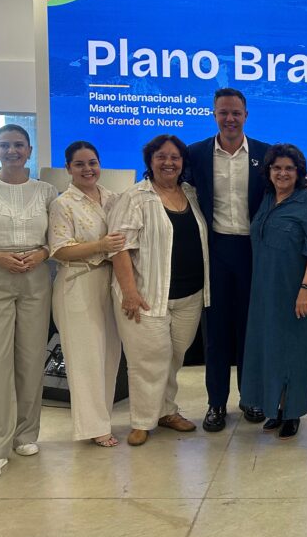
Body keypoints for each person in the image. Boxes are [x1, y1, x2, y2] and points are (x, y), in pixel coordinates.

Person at [0, 124, 57, 481]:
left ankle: (25, 434)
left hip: (36, 276)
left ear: (29, 150)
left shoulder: (46, 190)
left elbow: (57, 238)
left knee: (31, 359)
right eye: (4, 145)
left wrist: (42, 253)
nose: (12, 151)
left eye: (19, 145)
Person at [108, 135, 210, 447]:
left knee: (173, 358)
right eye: (161, 157)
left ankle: (166, 411)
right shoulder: (135, 197)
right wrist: (129, 292)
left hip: (190, 295)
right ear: (150, 161)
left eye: (175, 157)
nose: (168, 163)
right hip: (147, 296)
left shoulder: (190, 194)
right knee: (148, 361)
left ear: (183, 162)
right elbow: (119, 247)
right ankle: (142, 422)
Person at [187, 88, 269, 431]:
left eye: (236, 112)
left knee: (251, 329)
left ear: (246, 115)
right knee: (216, 332)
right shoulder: (195, 154)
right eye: (223, 112)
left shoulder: (265, 154)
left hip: (253, 252)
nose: (230, 118)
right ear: (214, 115)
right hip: (216, 251)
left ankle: (251, 397)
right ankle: (216, 403)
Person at [242, 144, 307, 440]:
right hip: (265, 290)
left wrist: (306, 289)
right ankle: (275, 407)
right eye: (277, 168)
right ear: (268, 171)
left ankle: (293, 413)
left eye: (289, 168)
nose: (282, 173)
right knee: (270, 351)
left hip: (296, 291)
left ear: (299, 173)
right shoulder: (267, 200)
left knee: (293, 353)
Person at [48, 141, 124, 447]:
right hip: (77, 283)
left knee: (110, 355)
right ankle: (93, 427)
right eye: (79, 164)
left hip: (110, 281)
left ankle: (102, 419)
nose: (87, 169)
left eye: (92, 162)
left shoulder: (113, 198)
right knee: (85, 358)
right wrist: (101, 246)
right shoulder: (63, 204)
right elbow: (59, 249)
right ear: (68, 168)